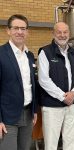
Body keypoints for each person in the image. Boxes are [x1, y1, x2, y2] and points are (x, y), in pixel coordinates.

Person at [38, 21, 74, 150]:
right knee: (51, 143)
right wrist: (63, 96)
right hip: (53, 106)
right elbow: (43, 80)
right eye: (59, 32)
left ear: (69, 33)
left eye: (65, 32)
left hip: (72, 104)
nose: (62, 35)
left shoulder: (73, 52)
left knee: (72, 141)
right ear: (53, 33)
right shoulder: (45, 52)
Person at [0, 14, 37, 150]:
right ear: (8, 30)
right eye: (16, 28)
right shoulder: (1, 54)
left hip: (27, 115)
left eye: (23, 28)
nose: (20, 32)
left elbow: (32, 85)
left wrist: (34, 110)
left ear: (27, 32)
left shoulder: (29, 55)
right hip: (7, 117)